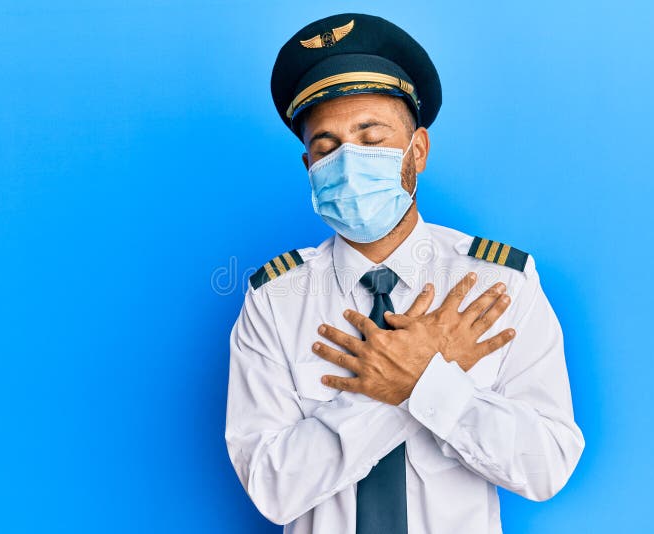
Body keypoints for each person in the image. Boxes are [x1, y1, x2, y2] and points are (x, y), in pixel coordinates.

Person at [224, 12, 584, 534]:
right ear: (309, 168)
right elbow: (271, 488)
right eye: (326, 148)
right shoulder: (274, 299)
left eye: (371, 139)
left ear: (417, 152)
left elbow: (546, 465)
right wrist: (400, 385)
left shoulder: (501, 284)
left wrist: (429, 384)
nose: (347, 161)